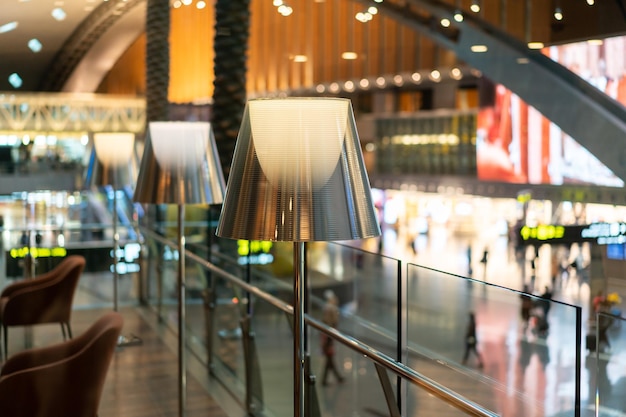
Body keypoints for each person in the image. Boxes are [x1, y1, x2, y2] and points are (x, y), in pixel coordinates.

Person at [321, 290, 344, 385]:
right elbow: (332, 320)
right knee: (329, 358)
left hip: (328, 336)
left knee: (329, 358)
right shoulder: (330, 309)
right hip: (328, 337)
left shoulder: (328, 308)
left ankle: (337, 377)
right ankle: (336, 377)